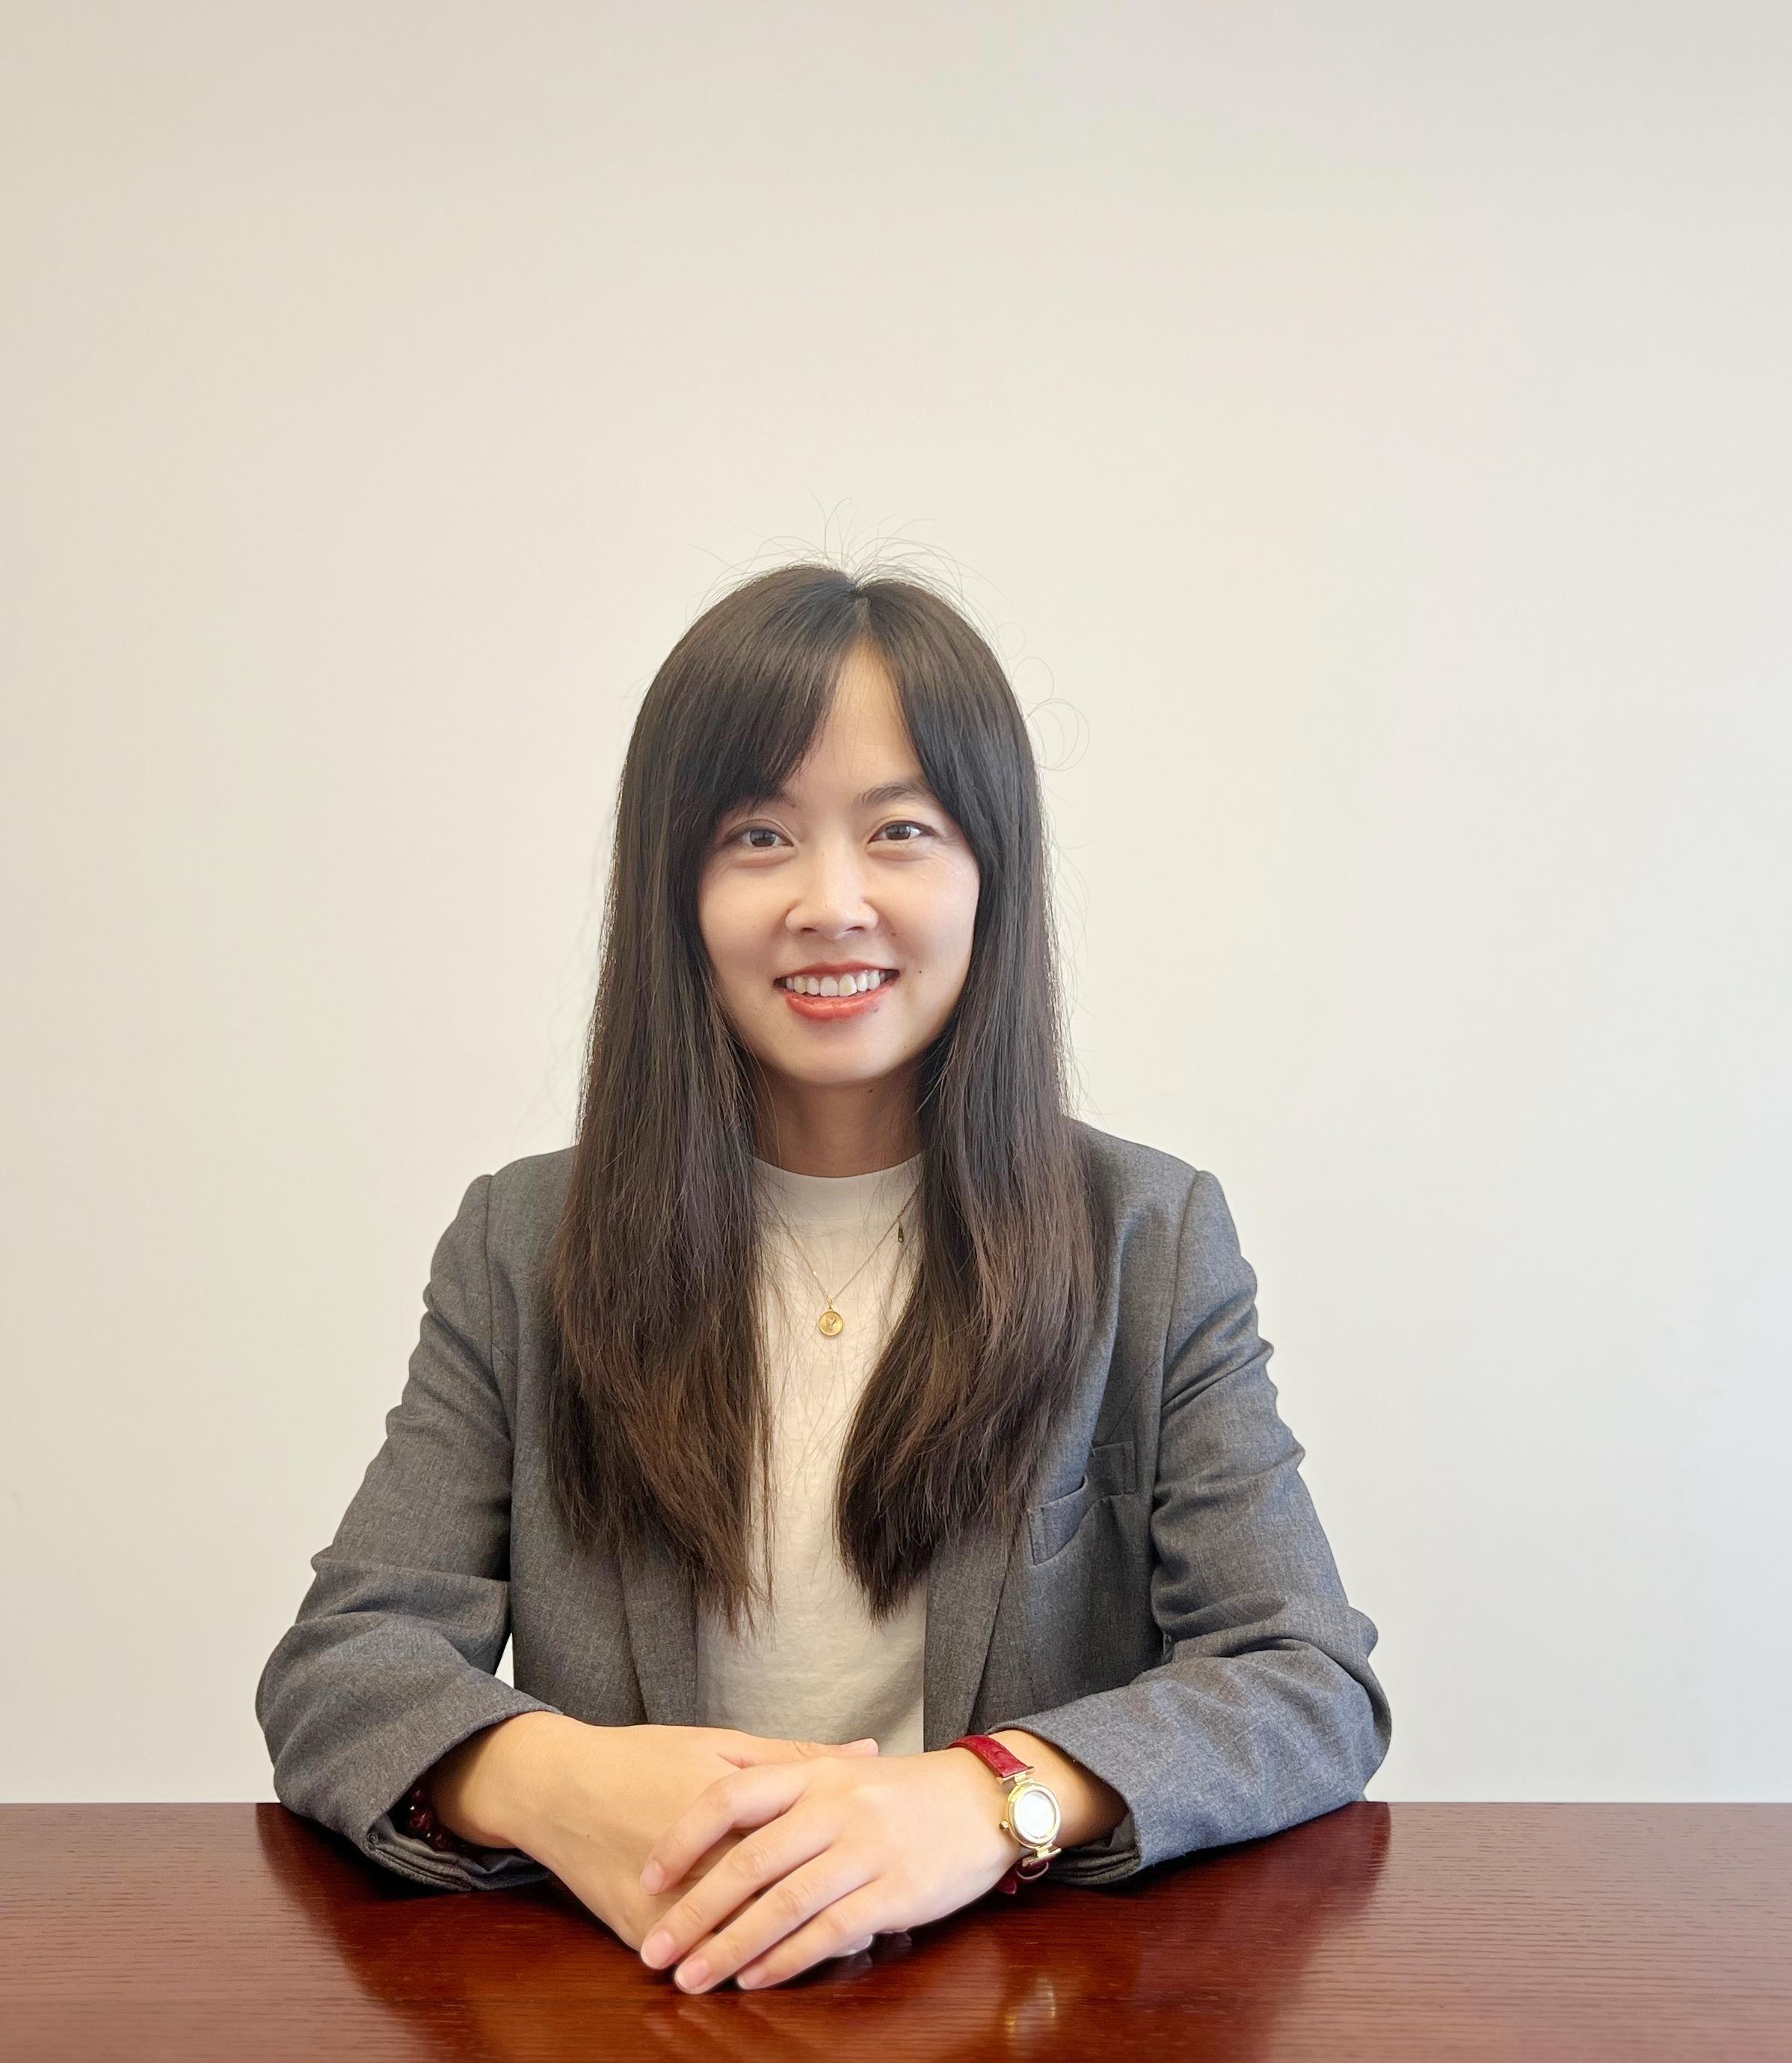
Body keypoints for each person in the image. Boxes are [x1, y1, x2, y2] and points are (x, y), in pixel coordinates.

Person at [255, 561, 1389, 1993]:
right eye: (757, 836)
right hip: (645, 1995)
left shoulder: (1146, 1236)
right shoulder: (525, 1243)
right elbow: (341, 1665)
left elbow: (1303, 1678)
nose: (831, 900)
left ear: (990, 872)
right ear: (675, 891)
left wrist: (989, 1799)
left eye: (900, 830)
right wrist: (556, 1782)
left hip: (1008, 2003)